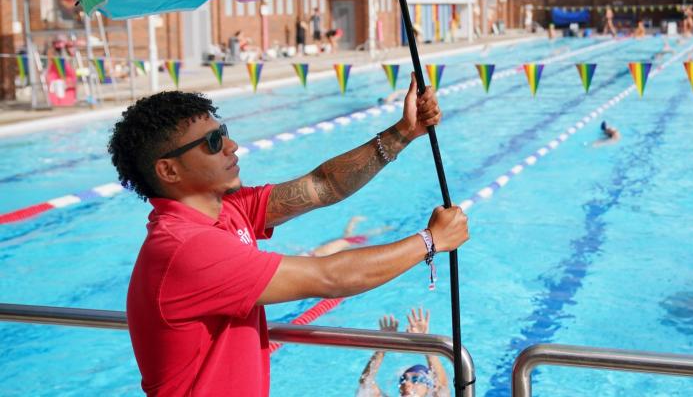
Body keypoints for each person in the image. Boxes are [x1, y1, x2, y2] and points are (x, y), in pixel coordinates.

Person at [112, 75, 468, 396]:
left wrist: (404, 132)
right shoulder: (186, 248)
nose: (231, 145)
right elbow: (330, 277)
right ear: (169, 170)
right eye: (212, 141)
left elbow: (322, 185)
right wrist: (430, 240)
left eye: (224, 132)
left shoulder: (227, 210)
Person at [358, 308, 449, 397]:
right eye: (403, 379)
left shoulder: (438, 392)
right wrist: (382, 348)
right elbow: (366, 383)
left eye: (415, 379)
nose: (407, 384)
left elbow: (441, 386)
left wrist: (425, 342)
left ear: (429, 388)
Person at [308, 215, 392, 257]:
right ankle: (353, 221)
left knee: (367, 236)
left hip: (351, 243)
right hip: (350, 241)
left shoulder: (321, 254)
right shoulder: (316, 252)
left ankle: (353, 221)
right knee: (368, 234)